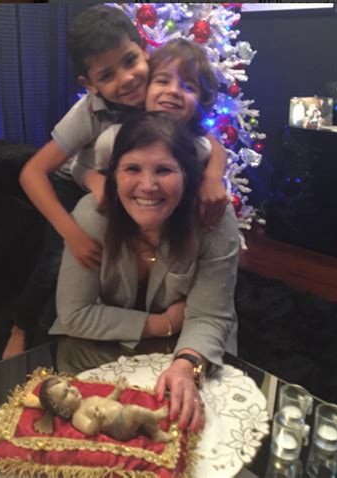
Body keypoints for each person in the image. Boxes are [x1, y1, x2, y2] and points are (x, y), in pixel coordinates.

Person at [3, 6, 227, 358]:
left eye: (130, 61)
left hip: (121, 184)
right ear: (90, 84)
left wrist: (213, 175)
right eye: (107, 75)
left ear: (145, 51)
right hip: (73, 184)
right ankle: (25, 329)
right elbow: (34, 173)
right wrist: (73, 231)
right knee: (57, 262)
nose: (126, 79)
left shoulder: (158, 90)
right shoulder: (89, 112)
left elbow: (206, 140)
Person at [49, 112, 239, 433]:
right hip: (103, 346)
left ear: (188, 176)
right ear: (113, 175)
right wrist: (164, 323)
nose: (148, 186)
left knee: (195, 427)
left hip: (188, 347)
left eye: (164, 170)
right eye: (132, 169)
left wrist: (185, 366)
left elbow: (210, 315)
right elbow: (74, 314)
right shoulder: (91, 216)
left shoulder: (213, 219)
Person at [72, 38, 228, 229]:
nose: (174, 91)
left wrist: (212, 177)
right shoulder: (113, 139)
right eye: (162, 81)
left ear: (200, 100)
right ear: (145, 87)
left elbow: (213, 148)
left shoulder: (201, 147)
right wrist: (93, 179)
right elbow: (80, 167)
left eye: (188, 87)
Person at [37, 376, 172, 442]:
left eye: (69, 385)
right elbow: (89, 430)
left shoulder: (88, 399)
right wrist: (97, 421)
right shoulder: (77, 416)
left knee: (139, 414)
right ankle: (155, 419)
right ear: (62, 410)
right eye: (65, 394)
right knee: (135, 411)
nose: (72, 390)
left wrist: (117, 390)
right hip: (118, 426)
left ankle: (155, 432)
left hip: (123, 412)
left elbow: (108, 400)